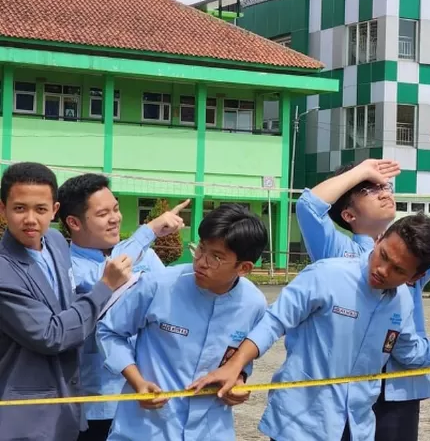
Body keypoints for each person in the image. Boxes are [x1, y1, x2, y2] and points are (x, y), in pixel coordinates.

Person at [188, 213, 430, 441]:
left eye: (398, 269)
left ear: (415, 276)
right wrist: (235, 365)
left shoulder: (403, 303)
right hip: (301, 425)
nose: (382, 270)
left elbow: (412, 352)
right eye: (383, 255)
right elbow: (274, 320)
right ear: (380, 239)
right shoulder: (327, 276)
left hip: (356, 427)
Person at [295, 158, 430, 440]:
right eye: (371, 190)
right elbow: (309, 207)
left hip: (399, 389)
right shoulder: (337, 251)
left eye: (386, 187)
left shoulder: (412, 256)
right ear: (349, 215)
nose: (385, 193)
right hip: (345, 387)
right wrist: (361, 171)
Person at [96, 203, 268, 440]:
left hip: (210, 431)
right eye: (201, 249)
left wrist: (239, 381)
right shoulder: (159, 285)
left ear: (244, 268)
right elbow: (109, 332)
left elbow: (238, 357)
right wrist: (138, 382)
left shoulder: (253, 303)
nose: (202, 262)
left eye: (216, 257)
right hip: (146, 429)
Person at [0, 162, 132, 441]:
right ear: (3, 209)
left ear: (55, 210)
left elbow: (66, 302)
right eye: (19, 208)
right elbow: (51, 335)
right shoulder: (4, 270)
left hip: (69, 406)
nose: (31, 220)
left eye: (41, 209)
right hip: (25, 415)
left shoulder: (56, 242)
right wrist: (105, 287)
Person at [56, 173, 192, 441]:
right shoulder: (66, 267)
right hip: (98, 403)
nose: (115, 218)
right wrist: (149, 231)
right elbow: (101, 279)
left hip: (148, 393)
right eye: (103, 213)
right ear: (73, 222)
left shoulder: (144, 255)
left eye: (116, 209)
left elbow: (171, 304)